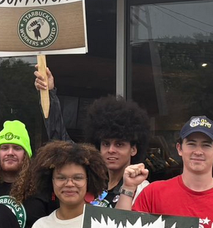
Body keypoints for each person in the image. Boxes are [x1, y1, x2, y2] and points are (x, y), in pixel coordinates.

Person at [34, 68, 151, 208]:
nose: (111, 150)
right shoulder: (92, 181)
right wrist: (48, 93)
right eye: (106, 144)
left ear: (133, 149)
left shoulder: (143, 190)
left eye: (119, 144)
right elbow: (61, 142)